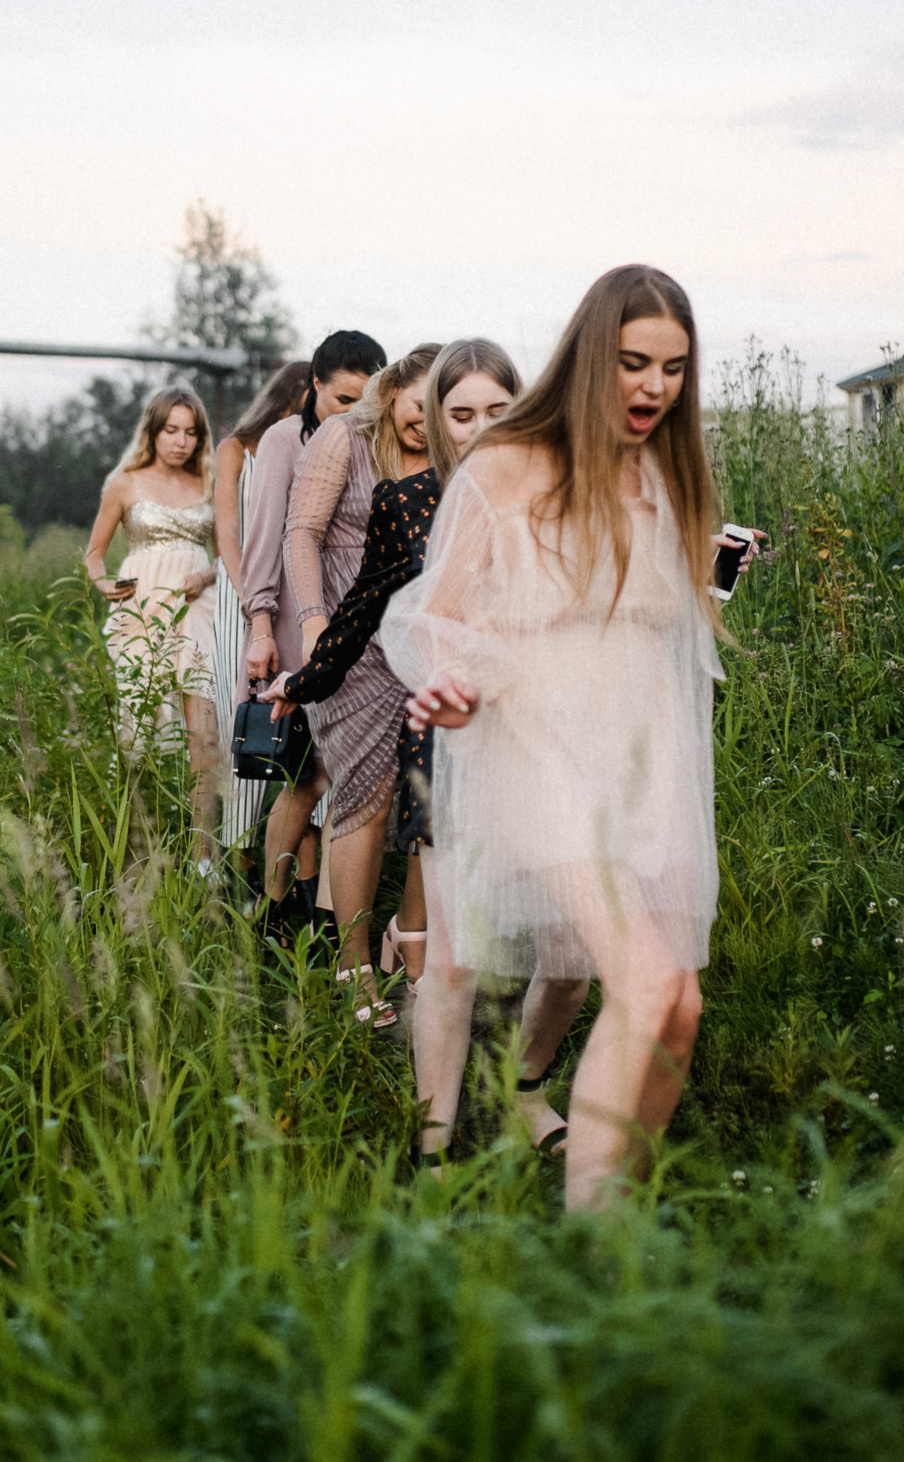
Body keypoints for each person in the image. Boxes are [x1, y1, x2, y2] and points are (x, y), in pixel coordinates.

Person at [384, 266, 758, 1209]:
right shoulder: (510, 465)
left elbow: (664, 627)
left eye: (673, 369)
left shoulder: (661, 472)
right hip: (538, 757)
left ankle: (620, 1199)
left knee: (680, 1004)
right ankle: (597, 1240)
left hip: (639, 762)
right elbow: (437, 617)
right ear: (592, 355)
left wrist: (717, 577)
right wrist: (457, 690)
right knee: (643, 984)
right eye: (634, 363)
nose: (653, 388)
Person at [270, 338, 586, 1159]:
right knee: (447, 960)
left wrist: (717, 574)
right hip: (446, 743)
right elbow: (368, 604)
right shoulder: (407, 502)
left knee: (567, 946)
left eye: (496, 410)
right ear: (438, 424)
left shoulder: (558, 499)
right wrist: (301, 680)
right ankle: (434, 1147)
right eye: (461, 413)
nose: (481, 428)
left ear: (521, 409)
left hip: (541, 742)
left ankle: (524, 1088)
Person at [269, 342, 441, 1025]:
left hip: (426, 642)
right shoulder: (346, 437)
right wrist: (312, 622)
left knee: (434, 797)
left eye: (442, 410)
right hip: (351, 633)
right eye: (416, 405)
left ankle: (413, 936)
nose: (426, 422)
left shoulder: (458, 455)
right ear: (393, 390)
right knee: (364, 798)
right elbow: (302, 532)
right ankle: (353, 966)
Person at [238, 330, 386, 938]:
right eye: (344, 400)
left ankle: (323, 912)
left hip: (357, 629)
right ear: (315, 386)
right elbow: (271, 533)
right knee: (305, 776)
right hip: (302, 629)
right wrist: (261, 625)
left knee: (344, 775)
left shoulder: (376, 442)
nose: (355, 413)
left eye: (367, 400)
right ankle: (273, 907)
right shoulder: (283, 440)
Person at [82, 386, 223, 858]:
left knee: (203, 733)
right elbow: (94, 555)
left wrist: (203, 575)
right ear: (154, 431)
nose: (181, 441)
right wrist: (102, 584)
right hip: (142, 606)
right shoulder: (125, 482)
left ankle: (204, 860)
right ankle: (137, 851)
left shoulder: (209, 482)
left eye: (191, 432)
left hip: (197, 607)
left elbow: (227, 558)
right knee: (140, 732)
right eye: (171, 430)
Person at [211, 360, 313, 883]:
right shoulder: (237, 450)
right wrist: (250, 600)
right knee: (247, 721)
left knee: (301, 725)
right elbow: (227, 530)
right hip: (243, 595)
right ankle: (238, 859)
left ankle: (300, 877)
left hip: (297, 596)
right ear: (291, 396)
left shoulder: (315, 445)